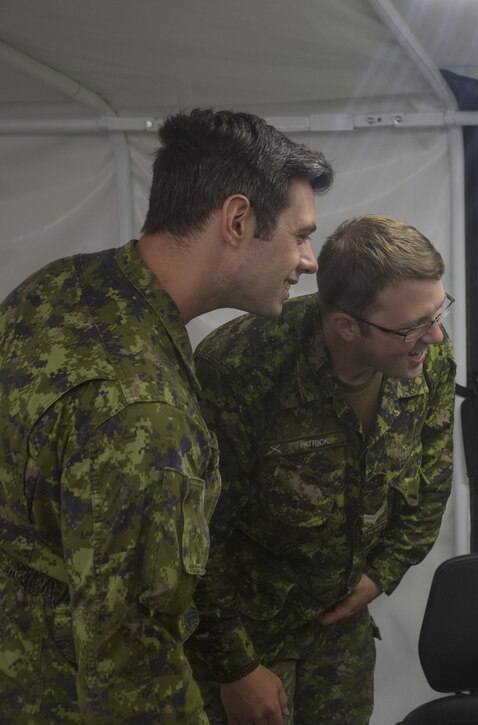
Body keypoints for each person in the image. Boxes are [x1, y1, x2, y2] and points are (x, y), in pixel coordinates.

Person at [0, 108, 333, 722]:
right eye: (301, 234)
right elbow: (132, 670)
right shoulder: (146, 414)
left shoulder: (53, 290)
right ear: (237, 220)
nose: (310, 261)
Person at [184, 214, 457, 724]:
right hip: (242, 638)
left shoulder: (427, 362)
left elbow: (430, 488)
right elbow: (200, 536)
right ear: (347, 326)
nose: (436, 337)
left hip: (340, 634)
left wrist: (379, 576)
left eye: (438, 313)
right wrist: (237, 666)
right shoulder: (241, 368)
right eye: (416, 326)